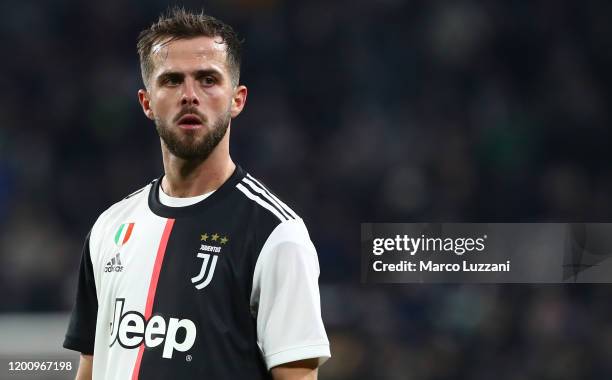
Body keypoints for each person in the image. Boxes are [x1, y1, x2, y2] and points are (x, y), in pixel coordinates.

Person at [63, 8, 330, 380]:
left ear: (237, 99)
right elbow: (92, 368)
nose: (190, 95)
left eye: (207, 80)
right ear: (146, 102)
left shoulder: (277, 235)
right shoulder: (110, 228)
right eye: (172, 81)